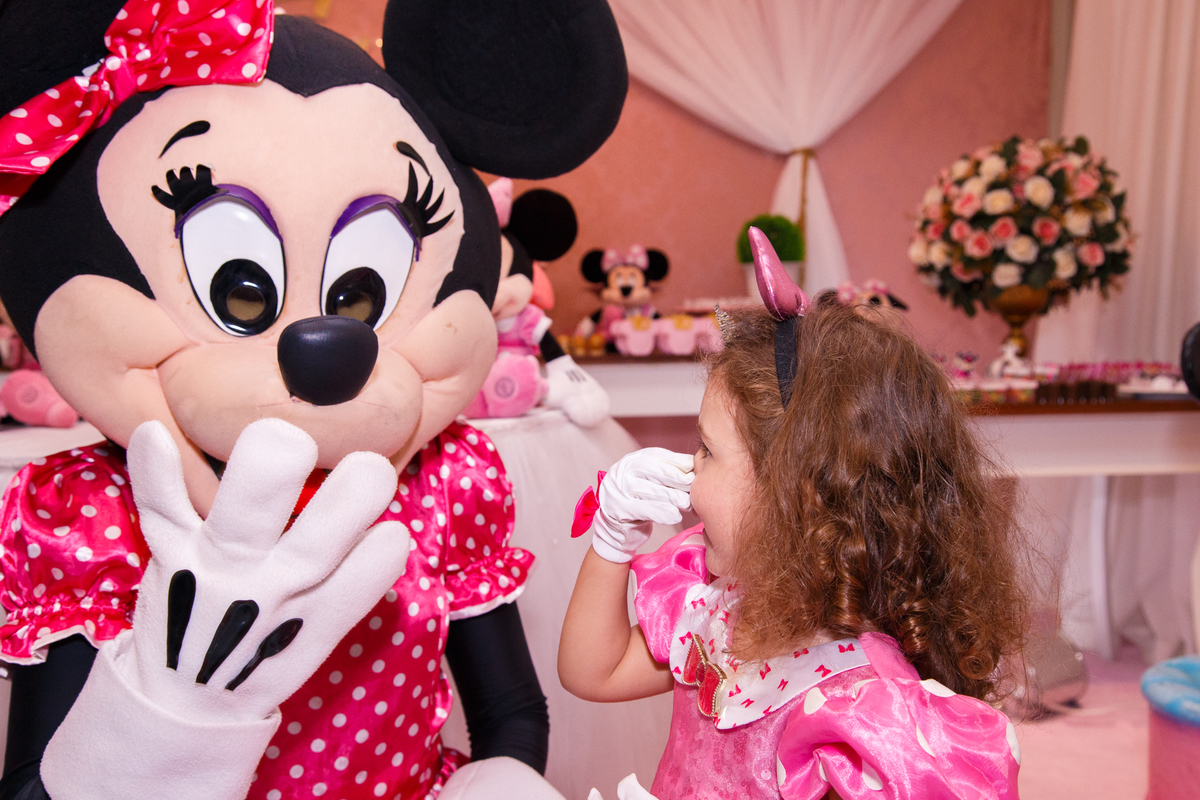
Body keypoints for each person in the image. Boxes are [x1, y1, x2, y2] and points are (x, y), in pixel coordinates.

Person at [559, 229, 1028, 799]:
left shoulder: (859, 709)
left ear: (797, 497)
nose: (690, 467)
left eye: (707, 450)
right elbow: (594, 671)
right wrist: (611, 539)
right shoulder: (720, 608)